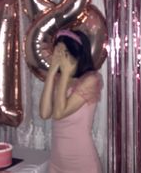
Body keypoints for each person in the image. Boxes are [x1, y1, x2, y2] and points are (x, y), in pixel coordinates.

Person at [40, 29, 103, 173]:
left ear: (76, 55)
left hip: (82, 162)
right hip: (57, 161)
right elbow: (44, 113)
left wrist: (66, 74)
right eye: (56, 52)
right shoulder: (58, 79)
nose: (58, 57)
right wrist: (51, 72)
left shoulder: (90, 80)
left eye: (63, 53)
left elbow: (59, 113)